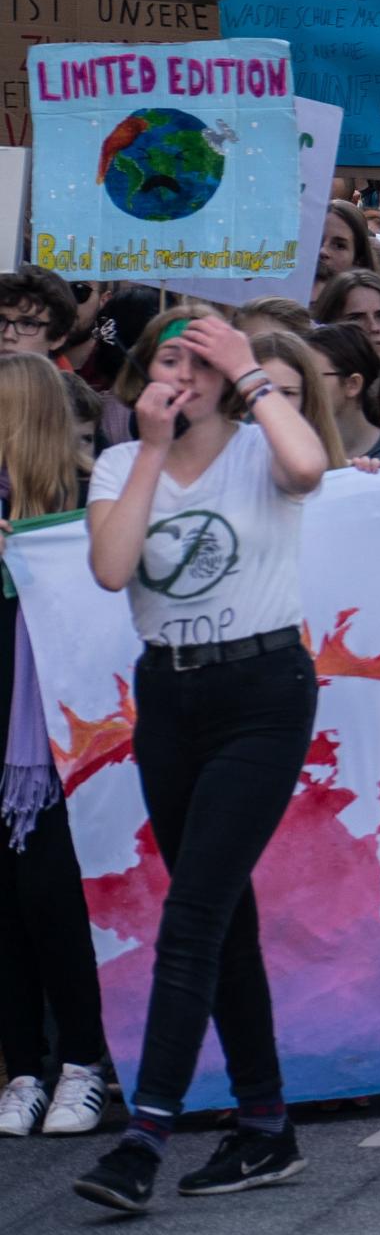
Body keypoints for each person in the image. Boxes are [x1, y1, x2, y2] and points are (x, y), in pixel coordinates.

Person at [70, 316, 329, 1213]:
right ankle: (264, 1125)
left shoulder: (260, 446)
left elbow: (309, 468)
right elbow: (112, 568)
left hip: (262, 690)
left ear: (227, 378)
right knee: (222, 915)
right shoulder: (119, 463)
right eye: (168, 359)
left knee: (191, 915)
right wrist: (150, 448)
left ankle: (145, 1134)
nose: (183, 376)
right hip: (171, 697)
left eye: (200, 362)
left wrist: (250, 368)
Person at [0, 353, 112, 1141]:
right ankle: (23, 1069)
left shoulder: (92, 500)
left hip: (65, 744)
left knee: (56, 903)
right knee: (4, 907)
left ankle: (83, 1060)